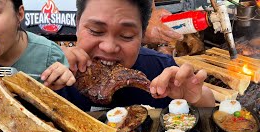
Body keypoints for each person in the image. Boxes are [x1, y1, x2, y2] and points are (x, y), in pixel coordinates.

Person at [59, 0, 215, 111]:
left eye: (126, 35)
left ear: (142, 36)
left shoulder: (160, 68)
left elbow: (208, 103)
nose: (109, 47)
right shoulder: (55, 71)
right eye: (96, 31)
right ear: (77, 24)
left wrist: (194, 98)